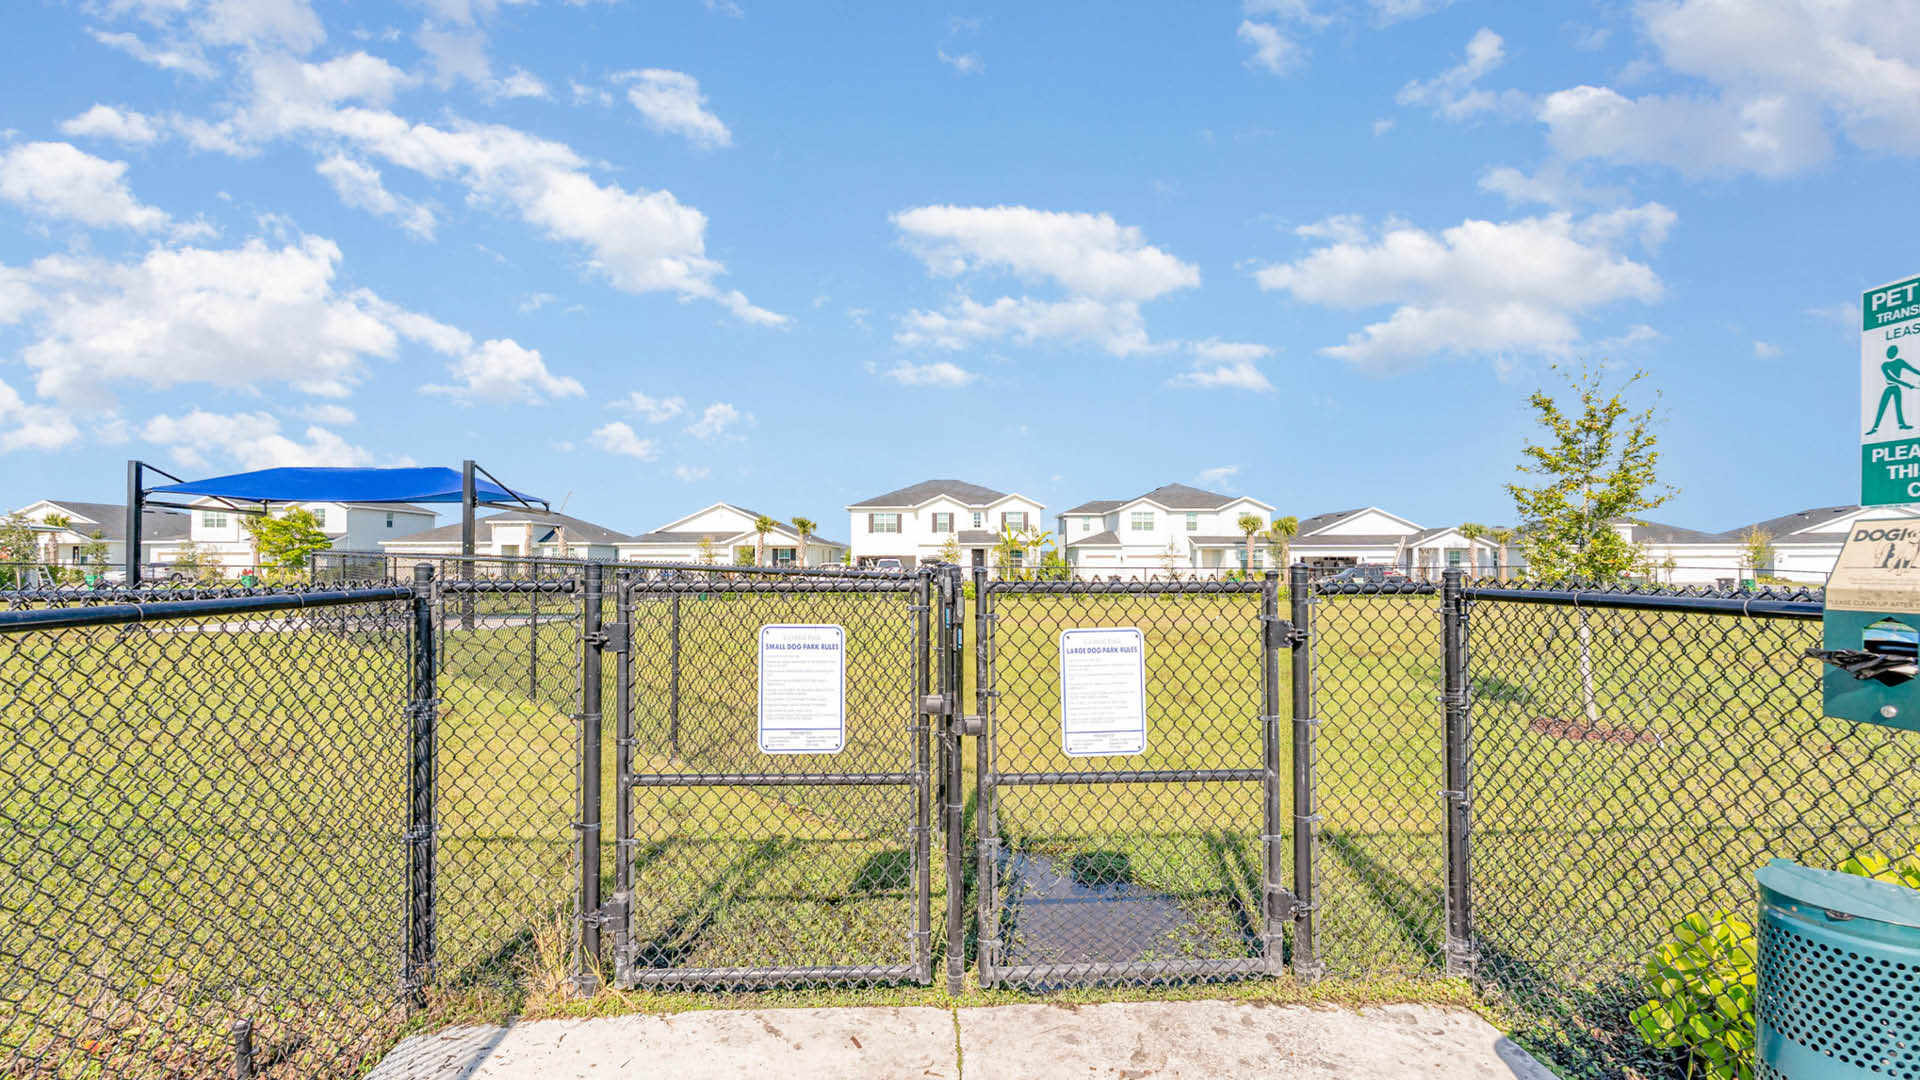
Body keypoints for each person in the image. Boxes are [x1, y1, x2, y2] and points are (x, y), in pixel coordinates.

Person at [1867, 345, 1920, 435]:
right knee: (1882, 407)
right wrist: (1909, 385)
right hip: (1889, 388)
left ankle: (1901, 424)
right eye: (1888, 352)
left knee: (1898, 407)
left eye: (1892, 352)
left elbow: (1913, 370)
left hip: (1896, 388)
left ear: (1895, 353)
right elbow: (1891, 378)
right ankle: (1875, 428)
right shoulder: (1884, 365)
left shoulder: (1900, 362)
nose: (1889, 354)